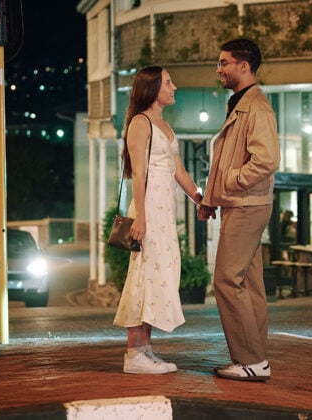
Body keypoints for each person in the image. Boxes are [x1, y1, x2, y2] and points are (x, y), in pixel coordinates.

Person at [197, 38, 280, 382]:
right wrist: (210, 199)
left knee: (226, 281)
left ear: (243, 66)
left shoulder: (255, 106)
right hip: (242, 202)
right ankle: (256, 358)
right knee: (247, 282)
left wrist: (231, 182)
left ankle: (250, 359)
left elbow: (267, 159)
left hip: (246, 203)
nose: (219, 69)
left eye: (224, 62)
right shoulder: (241, 103)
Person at [113, 66, 203, 375]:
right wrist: (141, 216)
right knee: (145, 275)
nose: (174, 87)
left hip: (164, 212)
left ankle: (144, 348)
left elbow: (178, 169)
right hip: (149, 209)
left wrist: (199, 199)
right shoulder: (140, 123)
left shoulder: (164, 125)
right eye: (168, 82)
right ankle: (134, 353)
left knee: (160, 274)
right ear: (152, 89)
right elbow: (138, 174)